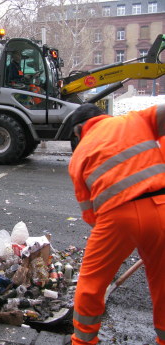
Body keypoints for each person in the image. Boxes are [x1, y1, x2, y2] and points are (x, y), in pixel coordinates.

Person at [68, 103, 165, 345]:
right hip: (162, 205)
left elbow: (90, 215)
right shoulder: (136, 120)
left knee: (91, 283)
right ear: (104, 117)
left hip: (116, 217)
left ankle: (83, 341)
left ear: (79, 130)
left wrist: (122, 238)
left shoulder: (78, 156)